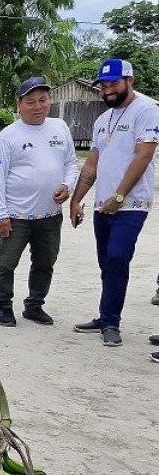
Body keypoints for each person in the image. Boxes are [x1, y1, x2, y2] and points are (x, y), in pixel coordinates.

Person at [69, 59, 159, 348]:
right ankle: (105, 314)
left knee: (118, 256)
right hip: (101, 204)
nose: (107, 91)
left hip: (131, 204)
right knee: (106, 262)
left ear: (129, 81)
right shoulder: (101, 120)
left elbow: (143, 156)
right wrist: (76, 200)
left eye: (113, 84)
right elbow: (92, 163)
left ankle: (110, 322)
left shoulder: (146, 110)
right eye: (103, 86)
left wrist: (119, 196)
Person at [0, 76, 78, 328]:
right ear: (19, 104)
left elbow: (71, 163)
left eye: (43, 100)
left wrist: (68, 185)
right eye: (31, 102)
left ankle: (35, 305)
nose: (38, 106)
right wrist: (0, 215)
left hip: (50, 214)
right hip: (16, 215)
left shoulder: (60, 127)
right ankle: (3, 306)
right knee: (6, 262)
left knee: (45, 261)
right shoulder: (8, 136)